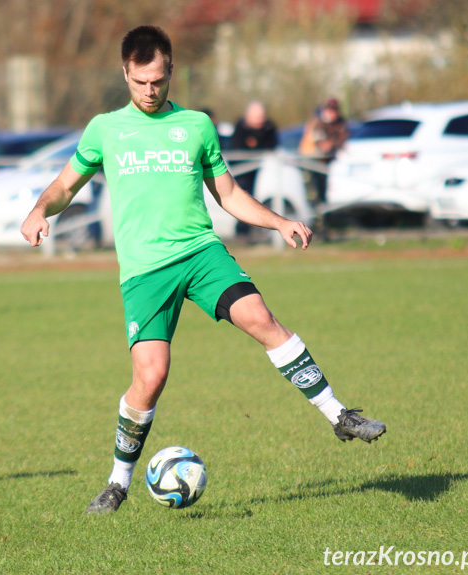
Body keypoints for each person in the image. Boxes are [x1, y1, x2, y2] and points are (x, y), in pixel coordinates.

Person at [20, 26, 385, 516]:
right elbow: (65, 185)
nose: (150, 91)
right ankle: (117, 483)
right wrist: (40, 209)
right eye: (139, 82)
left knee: (261, 318)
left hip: (199, 253)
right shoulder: (105, 129)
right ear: (125, 74)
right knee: (151, 377)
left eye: (157, 80)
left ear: (171, 70)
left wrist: (278, 222)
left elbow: (228, 195)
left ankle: (338, 414)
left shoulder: (196, 125)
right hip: (145, 272)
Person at [230, 101, 279, 235]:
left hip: (265, 173)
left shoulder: (269, 128)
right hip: (243, 173)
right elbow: (237, 151)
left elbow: (272, 147)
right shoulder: (240, 129)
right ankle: (242, 230)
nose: (259, 121)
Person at [299, 98, 349, 204]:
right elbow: (318, 140)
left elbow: (343, 138)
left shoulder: (341, 123)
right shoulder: (318, 122)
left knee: (327, 189)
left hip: (331, 161)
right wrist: (325, 143)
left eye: (334, 110)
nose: (332, 113)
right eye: (329, 110)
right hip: (314, 160)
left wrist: (333, 144)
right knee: (315, 189)